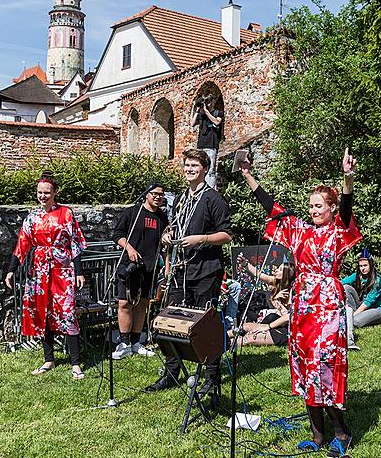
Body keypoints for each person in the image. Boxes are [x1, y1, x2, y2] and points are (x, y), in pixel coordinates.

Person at [239, 148, 362, 457]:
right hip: (303, 304)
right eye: (311, 206)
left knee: (324, 365)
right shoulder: (301, 231)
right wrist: (248, 175)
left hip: (327, 303)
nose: (313, 210)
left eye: (319, 206)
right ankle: (317, 435)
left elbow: (347, 210)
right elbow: (273, 210)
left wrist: (347, 178)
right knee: (304, 365)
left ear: (331, 208)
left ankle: (341, 431)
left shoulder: (338, 231)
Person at [146, 149, 233, 395]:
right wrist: (167, 235)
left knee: (207, 324)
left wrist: (201, 239)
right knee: (171, 320)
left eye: (194, 165)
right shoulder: (183, 198)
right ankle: (172, 372)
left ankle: (211, 378)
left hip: (206, 270)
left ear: (205, 169)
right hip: (180, 270)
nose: (189, 169)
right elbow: (175, 225)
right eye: (186, 165)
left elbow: (226, 234)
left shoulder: (214, 198)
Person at [5, 171, 86, 379]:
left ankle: (76, 363)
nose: (43, 196)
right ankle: (48, 359)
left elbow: (75, 243)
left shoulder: (66, 213)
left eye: (47, 192)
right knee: (43, 311)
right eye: (40, 192)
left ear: (55, 192)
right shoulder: (32, 217)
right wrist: (12, 270)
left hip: (63, 270)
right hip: (39, 271)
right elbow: (22, 243)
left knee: (67, 312)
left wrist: (79, 271)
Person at [112, 182, 169, 359]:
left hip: (149, 268)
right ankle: (124, 342)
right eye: (154, 194)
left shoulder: (162, 218)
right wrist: (129, 249)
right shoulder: (132, 213)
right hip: (129, 265)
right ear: (146, 194)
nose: (157, 197)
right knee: (124, 303)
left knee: (142, 304)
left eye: (161, 194)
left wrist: (166, 268)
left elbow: (165, 246)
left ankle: (137, 342)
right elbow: (117, 235)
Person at [235, 259, 295, 347]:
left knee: (249, 338)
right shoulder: (277, 282)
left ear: (286, 274)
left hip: (286, 329)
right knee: (243, 327)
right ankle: (219, 338)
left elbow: (288, 317)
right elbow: (259, 275)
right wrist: (245, 264)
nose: (276, 270)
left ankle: (220, 345)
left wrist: (276, 301)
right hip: (276, 323)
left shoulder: (292, 291)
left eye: (280, 269)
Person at [342, 248, 381, 348]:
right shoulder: (358, 275)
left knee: (355, 321)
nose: (363, 268)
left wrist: (351, 317)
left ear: (371, 265)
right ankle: (351, 314)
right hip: (365, 303)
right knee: (346, 288)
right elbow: (342, 282)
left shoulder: (378, 281)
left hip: (380, 308)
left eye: (365, 265)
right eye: (361, 266)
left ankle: (378, 318)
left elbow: (368, 303)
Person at [191, 95, 223, 188]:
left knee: (211, 169)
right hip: (201, 144)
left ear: (212, 102)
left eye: (208, 102)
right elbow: (192, 124)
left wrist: (206, 111)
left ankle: (210, 189)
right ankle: (200, 187)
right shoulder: (201, 115)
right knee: (200, 168)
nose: (207, 104)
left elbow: (217, 122)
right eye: (205, 102)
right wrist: (197, 111)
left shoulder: (217, 113)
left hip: (211, 144)